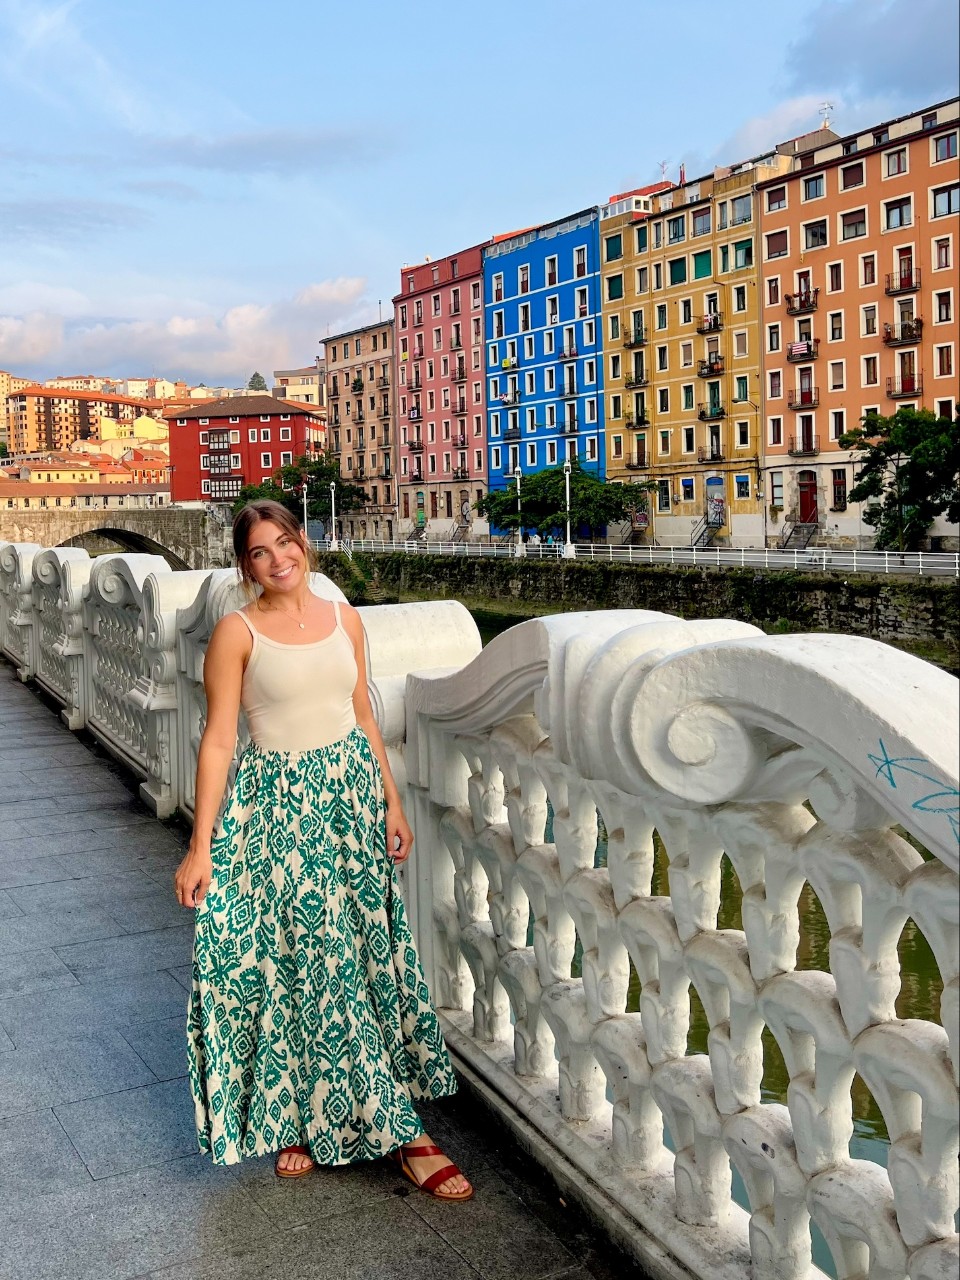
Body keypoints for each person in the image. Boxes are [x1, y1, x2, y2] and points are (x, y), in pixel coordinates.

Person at [174, 499, 471, 1199]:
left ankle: (391, 1123)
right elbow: (219, 740)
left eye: (285, 543)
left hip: (349, 804)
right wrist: (200, 847)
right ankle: (371, 1129)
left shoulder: (346, 620)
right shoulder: (236, 633)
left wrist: (392, 803)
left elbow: (364, 715)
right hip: (276, 811)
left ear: (302, 543)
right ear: (244, 565)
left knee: (361, 954)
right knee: (302, 960)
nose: (279, 560)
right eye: (260, 552)